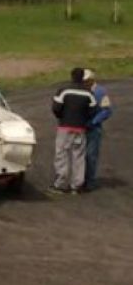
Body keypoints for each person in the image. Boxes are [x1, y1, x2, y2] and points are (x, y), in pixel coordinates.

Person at [50, 67, 96, 195]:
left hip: (65, 127)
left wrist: (62, 118)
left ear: (71, 76)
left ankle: (59, 184)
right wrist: (84, 120)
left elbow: (56, 108)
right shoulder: (89, 93)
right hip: (80, 129)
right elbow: (93, 111)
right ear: (82, 77)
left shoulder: (64, 90)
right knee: (78, 156)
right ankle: (76, 186)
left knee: (61, 154)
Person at [83, 69, 112, 191]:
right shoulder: (83, 91)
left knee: (91, 155)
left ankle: (90, 181)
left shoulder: (100, 92)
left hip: (94, 128)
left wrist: (94, 122)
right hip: (81, 127)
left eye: (85, 81)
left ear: (91, 80)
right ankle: (80, 180)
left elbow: (107, 110)